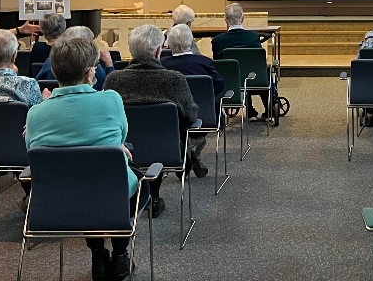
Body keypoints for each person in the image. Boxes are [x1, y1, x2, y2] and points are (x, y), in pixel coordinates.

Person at [26, 35, 140, 281]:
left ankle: (97, 254)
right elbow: (122, 134)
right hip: (110, 190)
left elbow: (31, 149)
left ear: (54, 71)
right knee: (121, 178)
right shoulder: (111, 99)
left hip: (59, 198)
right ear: (90, 73)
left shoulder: (35, 114)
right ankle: (120, 254)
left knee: (85, 178)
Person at [104, 24, 202, 217]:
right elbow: (191, 116)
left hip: (123, 150)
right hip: (167, 150)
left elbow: (105, 117)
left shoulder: (113, 79)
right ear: (159, 51)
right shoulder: (174, 79)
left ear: (131, 51)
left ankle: (147, 194)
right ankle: (155, 192)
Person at [211, 3, 270, 118]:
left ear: (225, 20)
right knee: (261, 70)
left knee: (237, 72)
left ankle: (251, 110)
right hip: (254, 79)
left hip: (230, 81)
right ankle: (269, 109)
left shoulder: (218, 41)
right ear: (243, 19)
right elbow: (257, 62)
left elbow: (218, 64)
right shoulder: (254, 37)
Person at [36, 26, 114, 90]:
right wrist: (109, 65)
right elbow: (109, 87)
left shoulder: (50, 62)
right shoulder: (92, 65)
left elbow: (37, 83)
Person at [161, 23, 225, 99]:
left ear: (170, 45)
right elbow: (219, 86)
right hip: (205, 108)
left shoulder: (162, 64)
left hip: (173, 109)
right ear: (191, 44)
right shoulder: (204, 62)